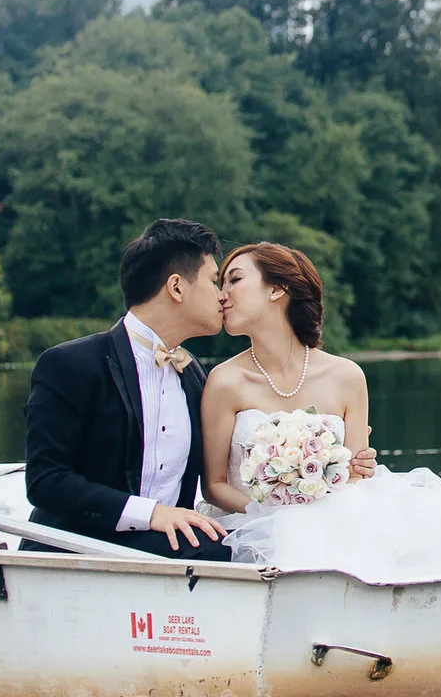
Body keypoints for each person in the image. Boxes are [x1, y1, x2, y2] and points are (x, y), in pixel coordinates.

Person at [203, 241, 441, 582]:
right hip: (253, 525)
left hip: (337, 515)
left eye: (235, 279)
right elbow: (215, 485)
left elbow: (356, 476)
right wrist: (272, 515)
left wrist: (334, 484)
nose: (222, 293)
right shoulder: (224, 381)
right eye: (221, 283)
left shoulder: (346, 376)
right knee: (300, 541)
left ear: (277, 289)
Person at [22, 220, 377, 560]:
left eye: (231, 281)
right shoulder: (71, 364)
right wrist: (152, 514)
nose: (222, 295)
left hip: (176, 547)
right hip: (76, 545)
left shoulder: (192, 375)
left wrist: (336, 458)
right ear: (177, 288)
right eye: (214, 280)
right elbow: (45, 481)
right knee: (237, 551)